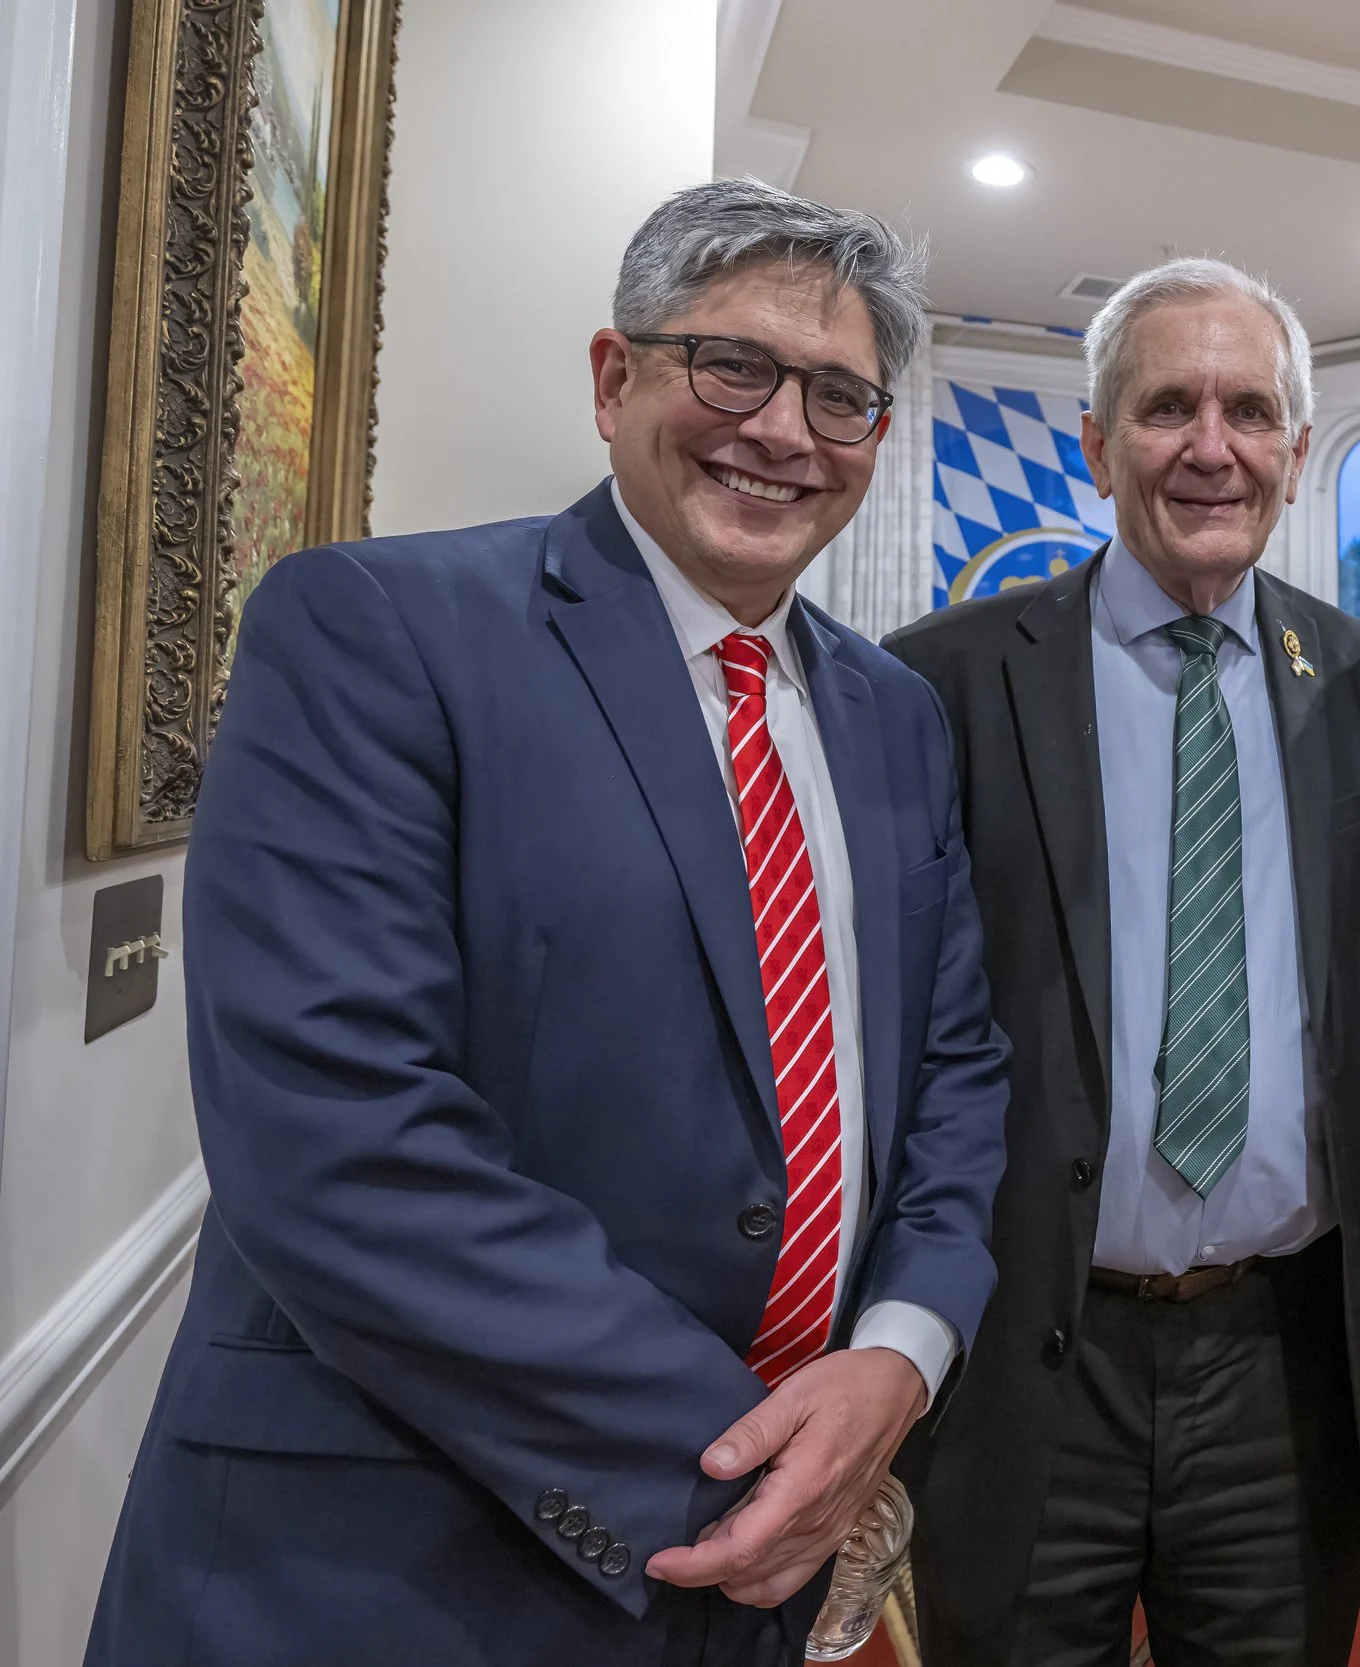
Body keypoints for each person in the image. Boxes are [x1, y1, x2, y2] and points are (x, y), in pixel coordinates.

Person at [84, 180, 1011, 1667]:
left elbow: (955, 1075)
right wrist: (760, 1455)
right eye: (734, 366)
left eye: (840, 396)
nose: (784, 429)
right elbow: (340, 1138)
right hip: (398, 1563)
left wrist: (898, 1359)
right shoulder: (374, 631)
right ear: (612, 376)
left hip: (764, 1567)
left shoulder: (895, 716)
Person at [884, 257, 1360, 1666]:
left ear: (1298, 456)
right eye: (1169, 405)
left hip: (1278, 1363)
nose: (1212, 445)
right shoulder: (941, 679)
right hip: (1028, 1359)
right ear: (1096, 443)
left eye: (1250, 410)